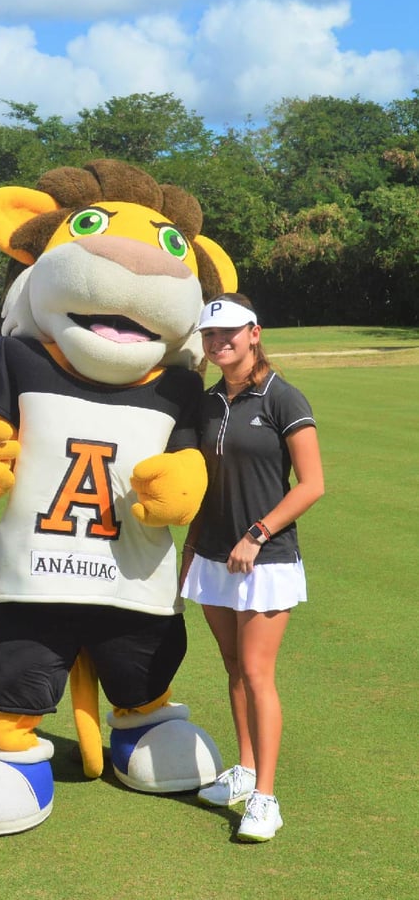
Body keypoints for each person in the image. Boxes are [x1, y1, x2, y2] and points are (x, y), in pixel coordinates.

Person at [180, 292, 324, 842]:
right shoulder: (210, 401)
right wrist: (193, 547)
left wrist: (258, 533)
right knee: (233, 668)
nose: (220, 343)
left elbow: (312, 485)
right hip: (215, 555)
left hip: (265, 558)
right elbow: (204, 487)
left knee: (259, 674)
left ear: (255, 332)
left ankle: (265, 797)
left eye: (230, 333)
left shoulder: (283, 397)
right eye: (211, 336)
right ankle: (242, 769)